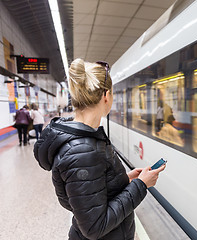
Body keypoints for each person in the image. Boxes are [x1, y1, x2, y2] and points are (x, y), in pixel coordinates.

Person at [33, 59, 165, 240]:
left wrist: (124, 179)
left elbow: (81, 199)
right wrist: (140, 185)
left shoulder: (82, 140)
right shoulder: (83, 151)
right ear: (106, 95)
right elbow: (95, 227)